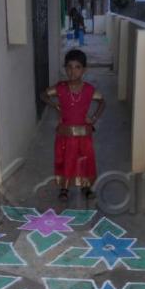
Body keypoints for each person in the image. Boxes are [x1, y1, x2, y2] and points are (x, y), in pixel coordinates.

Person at [40, 49, 105, 201]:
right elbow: (43, 95)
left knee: (84, 160)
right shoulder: (60, 88)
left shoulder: (89, 89)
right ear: (65, 68)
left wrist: (94, 118)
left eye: (77, 67)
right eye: (69, 67)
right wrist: (55, 105)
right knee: (66, 160)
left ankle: (86, 186)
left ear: (84, 69)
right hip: (66, 134)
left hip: (84, 134)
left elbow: (102, 101)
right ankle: (64, 188)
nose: (72, 71)